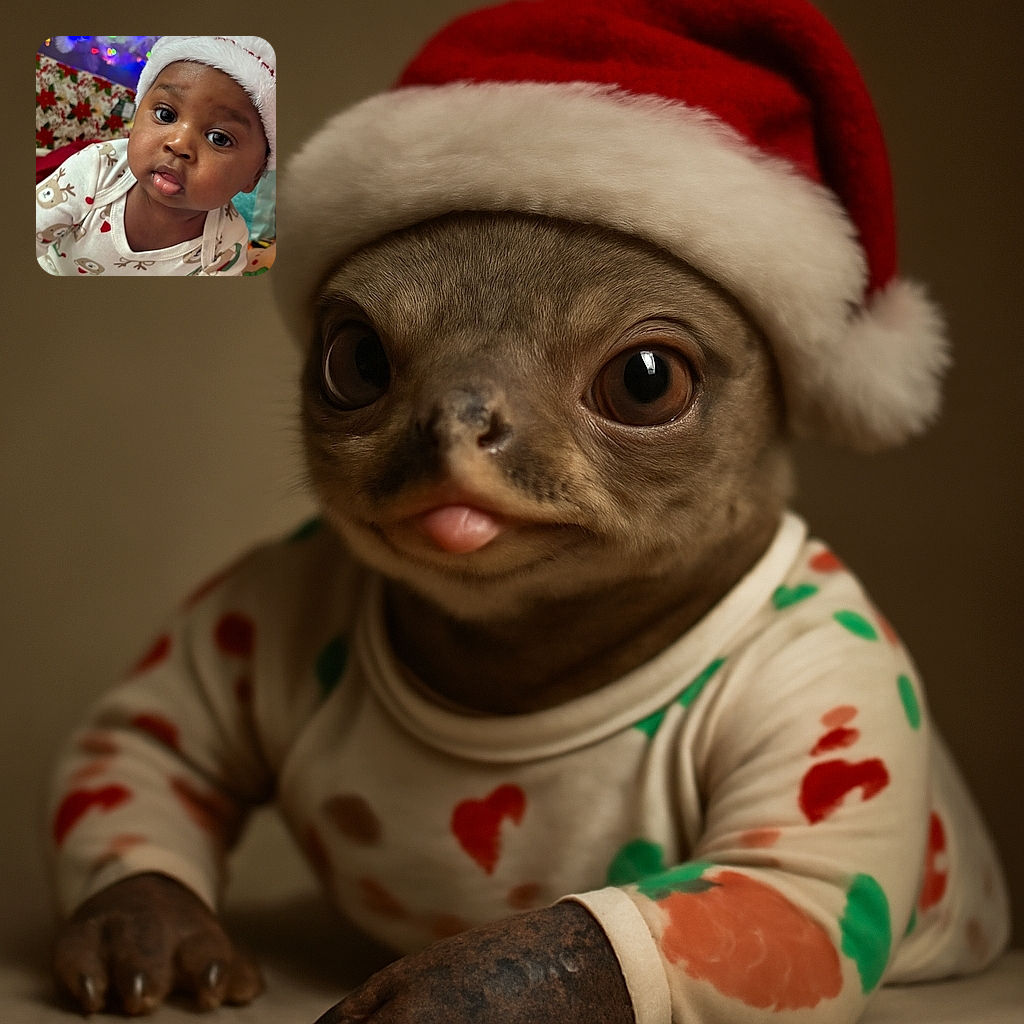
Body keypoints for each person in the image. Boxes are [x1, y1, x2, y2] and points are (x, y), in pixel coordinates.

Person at [35, 35, 275, 276]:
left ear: (253, 176)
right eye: (166, 115)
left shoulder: (226, 244)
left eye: (219, 138)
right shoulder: (98, 167)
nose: (179, 144)